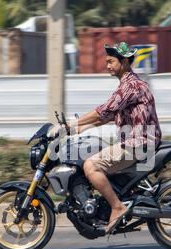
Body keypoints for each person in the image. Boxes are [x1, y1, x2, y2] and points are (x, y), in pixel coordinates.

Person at [58, 42, 161, 234]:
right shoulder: (129, 85)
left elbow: (103, 110)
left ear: (123, 62)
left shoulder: (130, 86)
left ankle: (117, 207)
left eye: (111, 61)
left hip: (137, 144)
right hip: (135, 142)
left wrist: (74, 122)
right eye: (107, 62)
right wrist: (79, 129)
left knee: (91, 166)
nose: (107, 66)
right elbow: (109, 116)